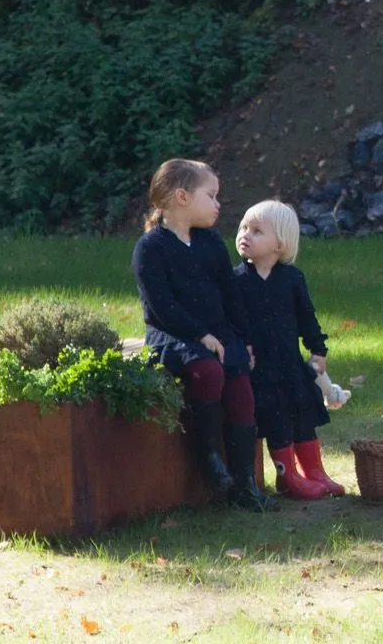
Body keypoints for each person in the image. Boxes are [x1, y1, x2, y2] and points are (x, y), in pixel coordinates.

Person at [132, 158, 275, 512]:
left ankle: (244, 484)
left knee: (240, 384)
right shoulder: (151, 249)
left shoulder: (210, 242)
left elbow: (231, 295)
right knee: (208, 371)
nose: (218, 203)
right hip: (174, 337)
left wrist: (243, 338)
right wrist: (199, 334)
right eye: (210, 195)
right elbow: (161, 307)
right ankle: (209, 458)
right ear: (182, 196)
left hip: (218, 334)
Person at [234, 199, 344, 500]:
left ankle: (315, 471)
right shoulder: (237, 281)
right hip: (261, 369)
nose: (245, 234)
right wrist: (241, 346)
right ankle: (288, 475)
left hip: (290, 365)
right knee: (277, 419)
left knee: (303, 415)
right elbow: (232, 319)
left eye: (256, 231)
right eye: (243, 227)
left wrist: (317, 351)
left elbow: (306, 317)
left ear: (279, 244)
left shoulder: (292, 279)